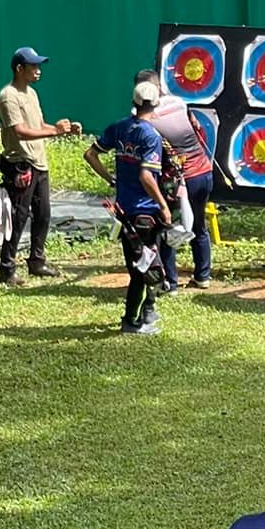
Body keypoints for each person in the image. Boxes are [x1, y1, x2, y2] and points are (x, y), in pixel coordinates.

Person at [84, 80, 190, 335]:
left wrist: (110, 179)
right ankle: (131, 322)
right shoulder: (150, 135)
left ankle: (146, 313)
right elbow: (146, 176)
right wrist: (164, 206)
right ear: (155, 104)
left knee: (144, 264)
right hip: (145, 212)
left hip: (125, 210)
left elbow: (90, 154)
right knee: (143, 268)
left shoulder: (119, 128)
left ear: (134, 102)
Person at [0, 47, 80, 284]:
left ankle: (37, 261)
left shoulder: (31, 93)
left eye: (39, 66)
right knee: (18, 217)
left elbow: (39, 124)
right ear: (19, 69)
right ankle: (7, 268)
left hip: (39, 163)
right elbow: (19, 131)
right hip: (20, 164)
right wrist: (55, 132)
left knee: (43, 214)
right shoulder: (8, 96)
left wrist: (62, 129)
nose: (38, 71)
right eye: (33, 66)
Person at [136, 67, 216, 291]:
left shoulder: (145, 119)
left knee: (166, 225)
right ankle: (202, 277)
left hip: (180, 180)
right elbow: (197, 128)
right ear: (159, 87)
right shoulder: (179, 102)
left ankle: (170, 282)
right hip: (204, 172)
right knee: (199, 226)